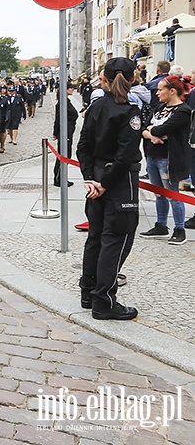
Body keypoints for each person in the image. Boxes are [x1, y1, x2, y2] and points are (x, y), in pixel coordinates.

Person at [76, 57, 142, 321]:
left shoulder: (96, 107)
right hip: (118, 182)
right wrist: (103, 183)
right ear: (132, 79)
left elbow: (83, 146)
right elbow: (125, 155)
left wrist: (91, 177)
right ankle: (103, 300)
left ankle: (88, 291)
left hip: (99, 178)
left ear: (103, 78)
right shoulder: (129, 111)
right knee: (116, 239)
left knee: (95, 238)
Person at [139, 75, 191, 244]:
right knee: (159, 194)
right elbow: (144, 126)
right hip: (152, 155)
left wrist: (152, 131)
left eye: (161, 89)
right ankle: (161, 224)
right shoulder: (160, 107)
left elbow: (165, 128)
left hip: (168, 158)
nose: (157, 93)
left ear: (172, 91)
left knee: (173, 194)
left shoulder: (183, 111)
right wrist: (152, 134)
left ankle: (179, 229)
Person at [52, 83, 78, 187]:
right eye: (70, 88)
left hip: (69, 130)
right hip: (64, 131)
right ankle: (58, 178)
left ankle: (62, 177)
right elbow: (58, 119)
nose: (72, 90)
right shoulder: (62, 103)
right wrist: (55, 132)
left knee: (67, 154)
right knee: (63, 155)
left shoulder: (66, 101)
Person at [0, 85, 10, 154]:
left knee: (1, 133)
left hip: (2, 118)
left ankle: (2, 145)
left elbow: (8, 109)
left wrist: (7, 117)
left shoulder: (5, 99)